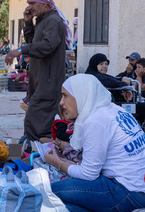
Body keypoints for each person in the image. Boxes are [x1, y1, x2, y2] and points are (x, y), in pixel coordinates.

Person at [44, 74, 145, 211]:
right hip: (137, 187)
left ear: (81, 94)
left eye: (65, 95)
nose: (61, 102)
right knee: (67, 206)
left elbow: (88, 174)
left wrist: (57, 162)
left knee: (49, 190)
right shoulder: (114, 109)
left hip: (127, 191)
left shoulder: (95, 120)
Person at [5, 0, 72, 142]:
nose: (29, 7)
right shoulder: (43, 21)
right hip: (39, 81)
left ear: (44, 3)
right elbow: (33, 43)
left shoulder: (53, 21)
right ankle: (34, 153)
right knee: (36, 121)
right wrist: (28, 23)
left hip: (48, 84)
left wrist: (20, 51)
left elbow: (47, 46)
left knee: (36, 122)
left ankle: (37, 153)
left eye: (32, 3)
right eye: (28, 4)